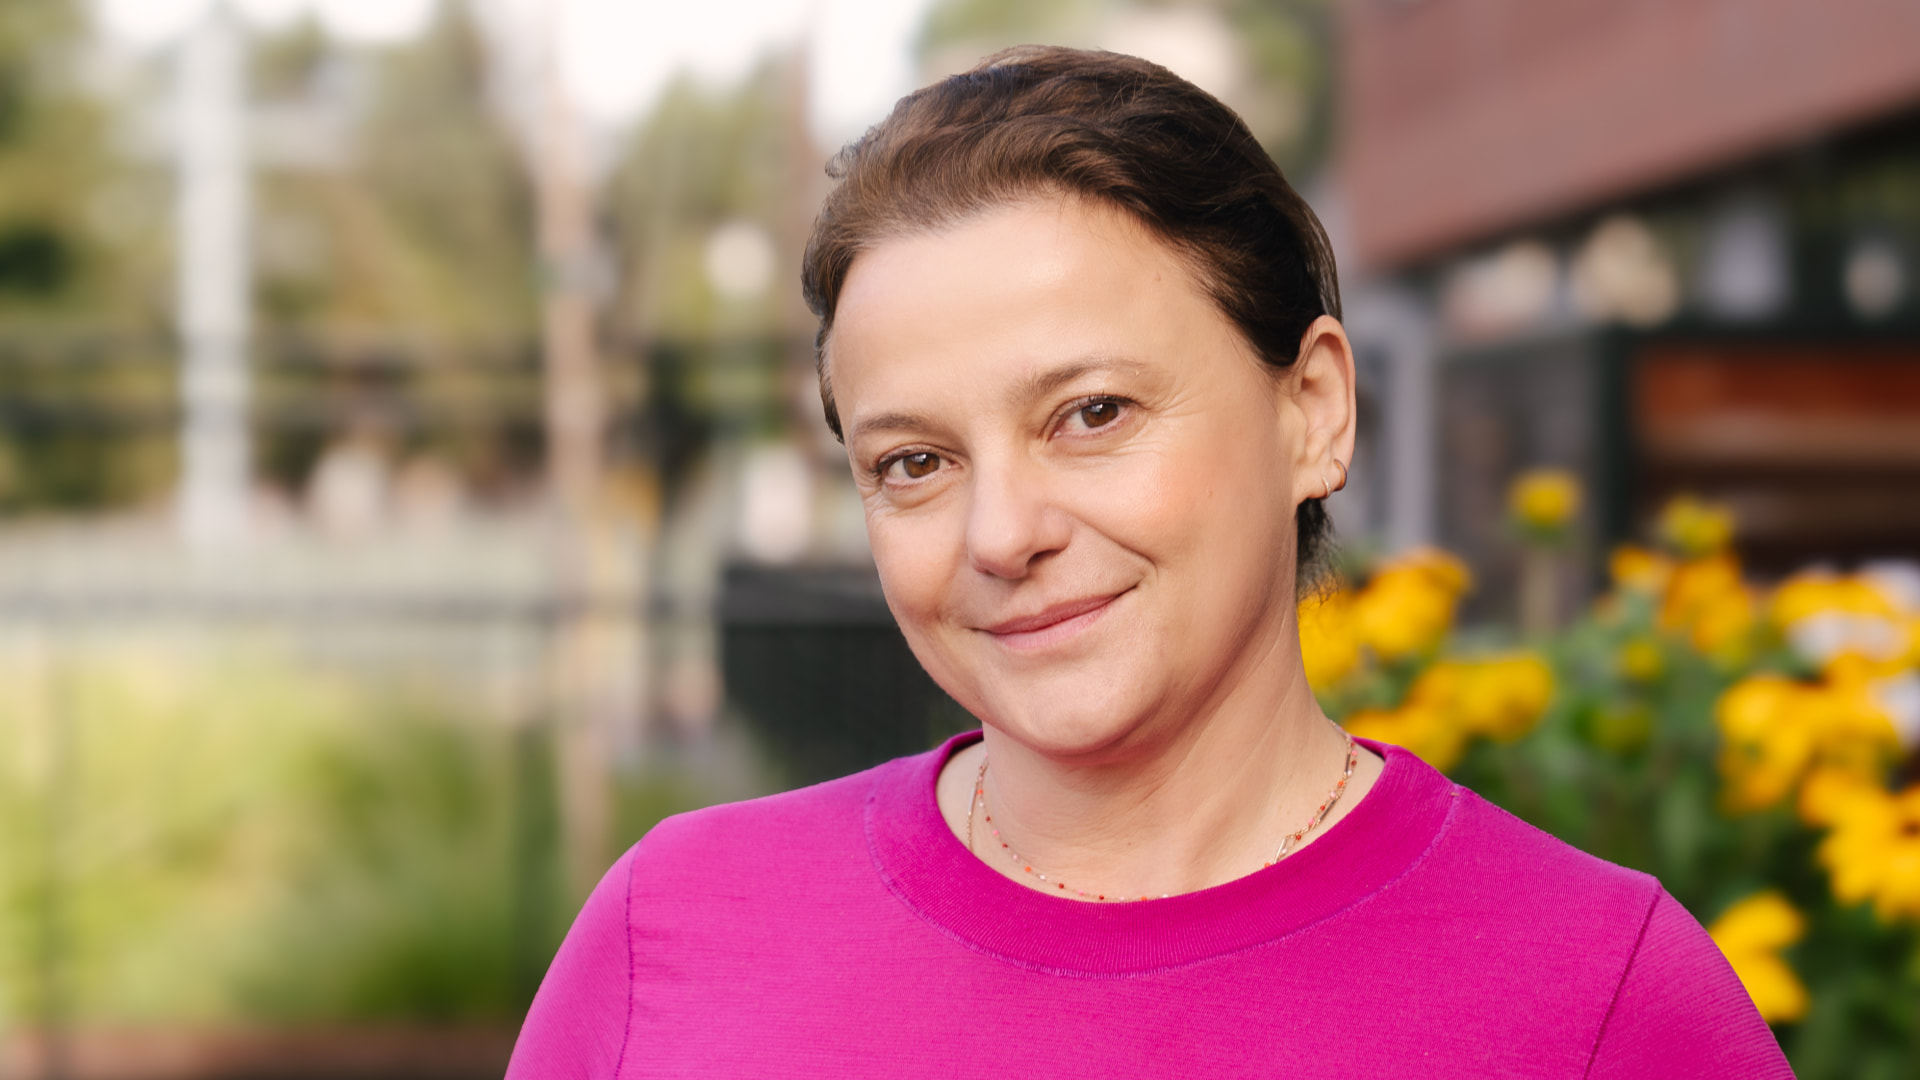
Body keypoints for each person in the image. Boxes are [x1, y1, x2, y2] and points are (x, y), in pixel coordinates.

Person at [506, 46, 1792, 1078]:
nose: (1002, 533)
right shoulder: (671, 934)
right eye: (914, 462)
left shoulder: (1601, 1000)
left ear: (1315, 411)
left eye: (1094, 414)